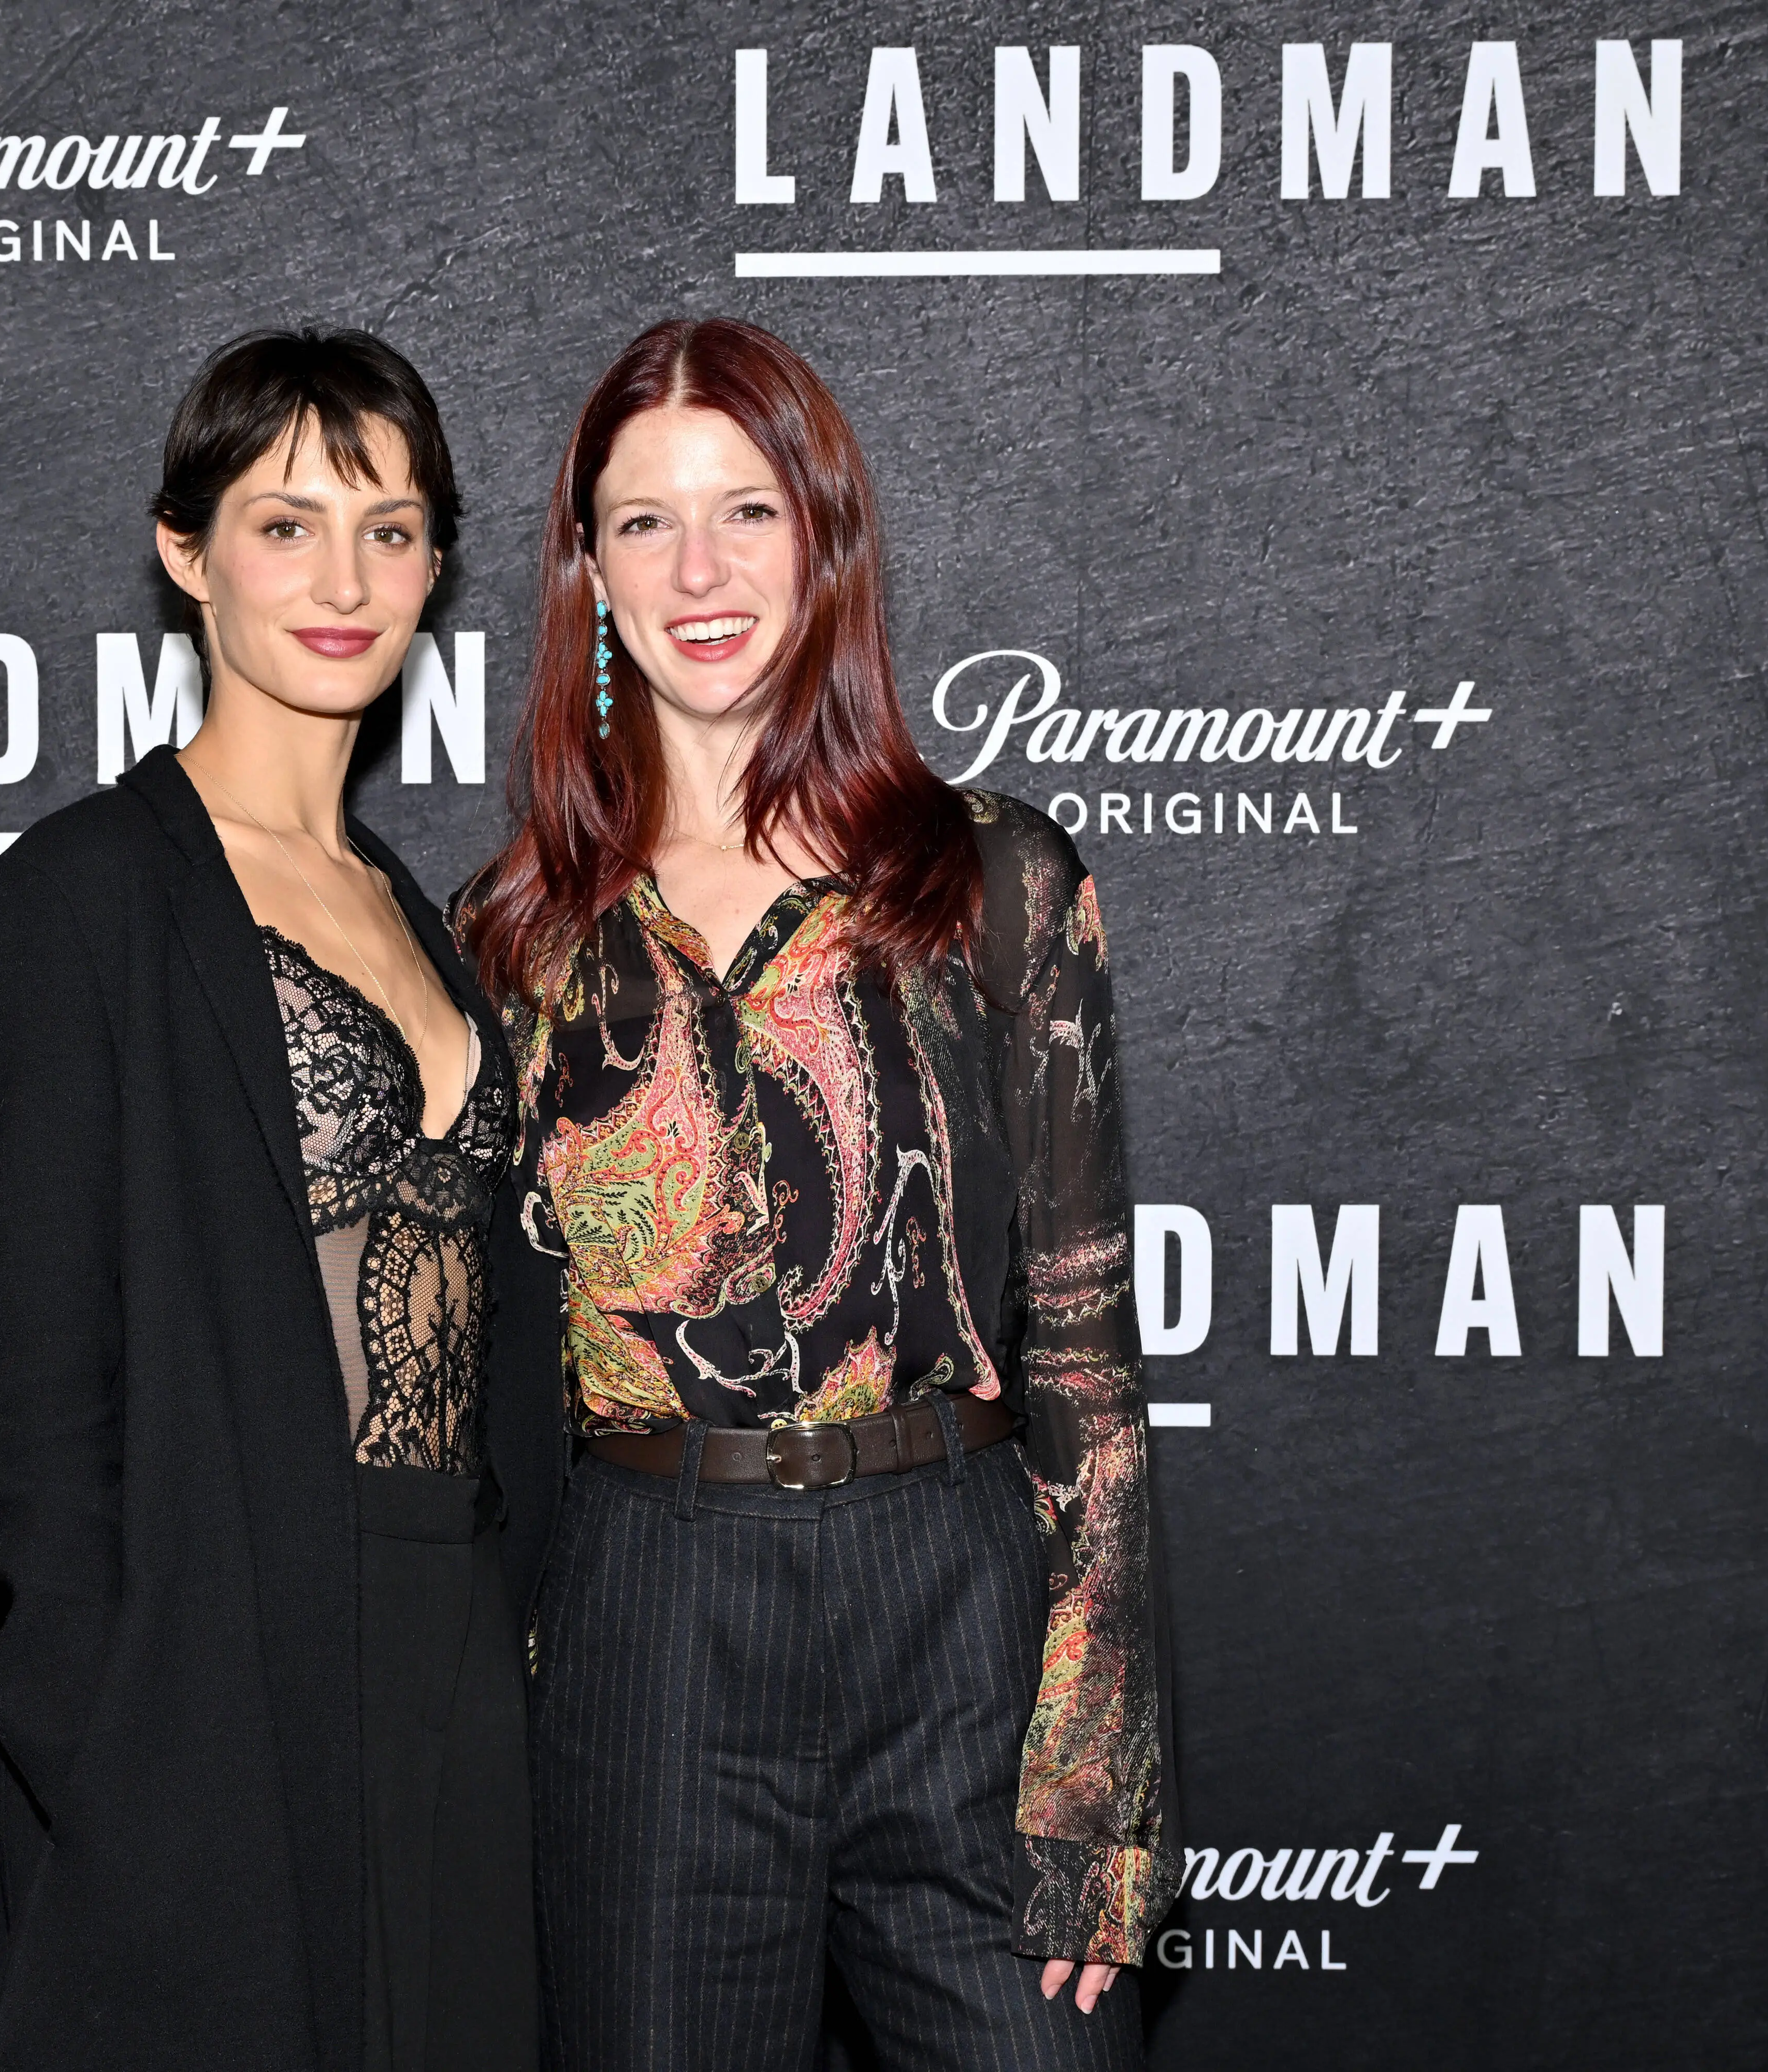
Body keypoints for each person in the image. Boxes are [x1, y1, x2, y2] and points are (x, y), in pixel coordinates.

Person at [458, 318, 1179, 2071]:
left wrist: (1102, 1764)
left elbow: (1084, 1346)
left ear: (825, 539)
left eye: (748, 511)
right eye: (644, 523)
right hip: (652, 1622)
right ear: (587, 572)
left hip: (958, 1605)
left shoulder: (990, 878)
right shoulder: (516, 936)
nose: (699, 572)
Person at [0, 329, 539, 2072]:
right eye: (286, 525)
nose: (344, 583)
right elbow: (31, 1411)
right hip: (225, 1673)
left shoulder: (420, 915)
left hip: (458, 1648)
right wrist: (118, 1746)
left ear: (436, 569)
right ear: (185, 555)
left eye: (391, 532)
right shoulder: (86, 898)